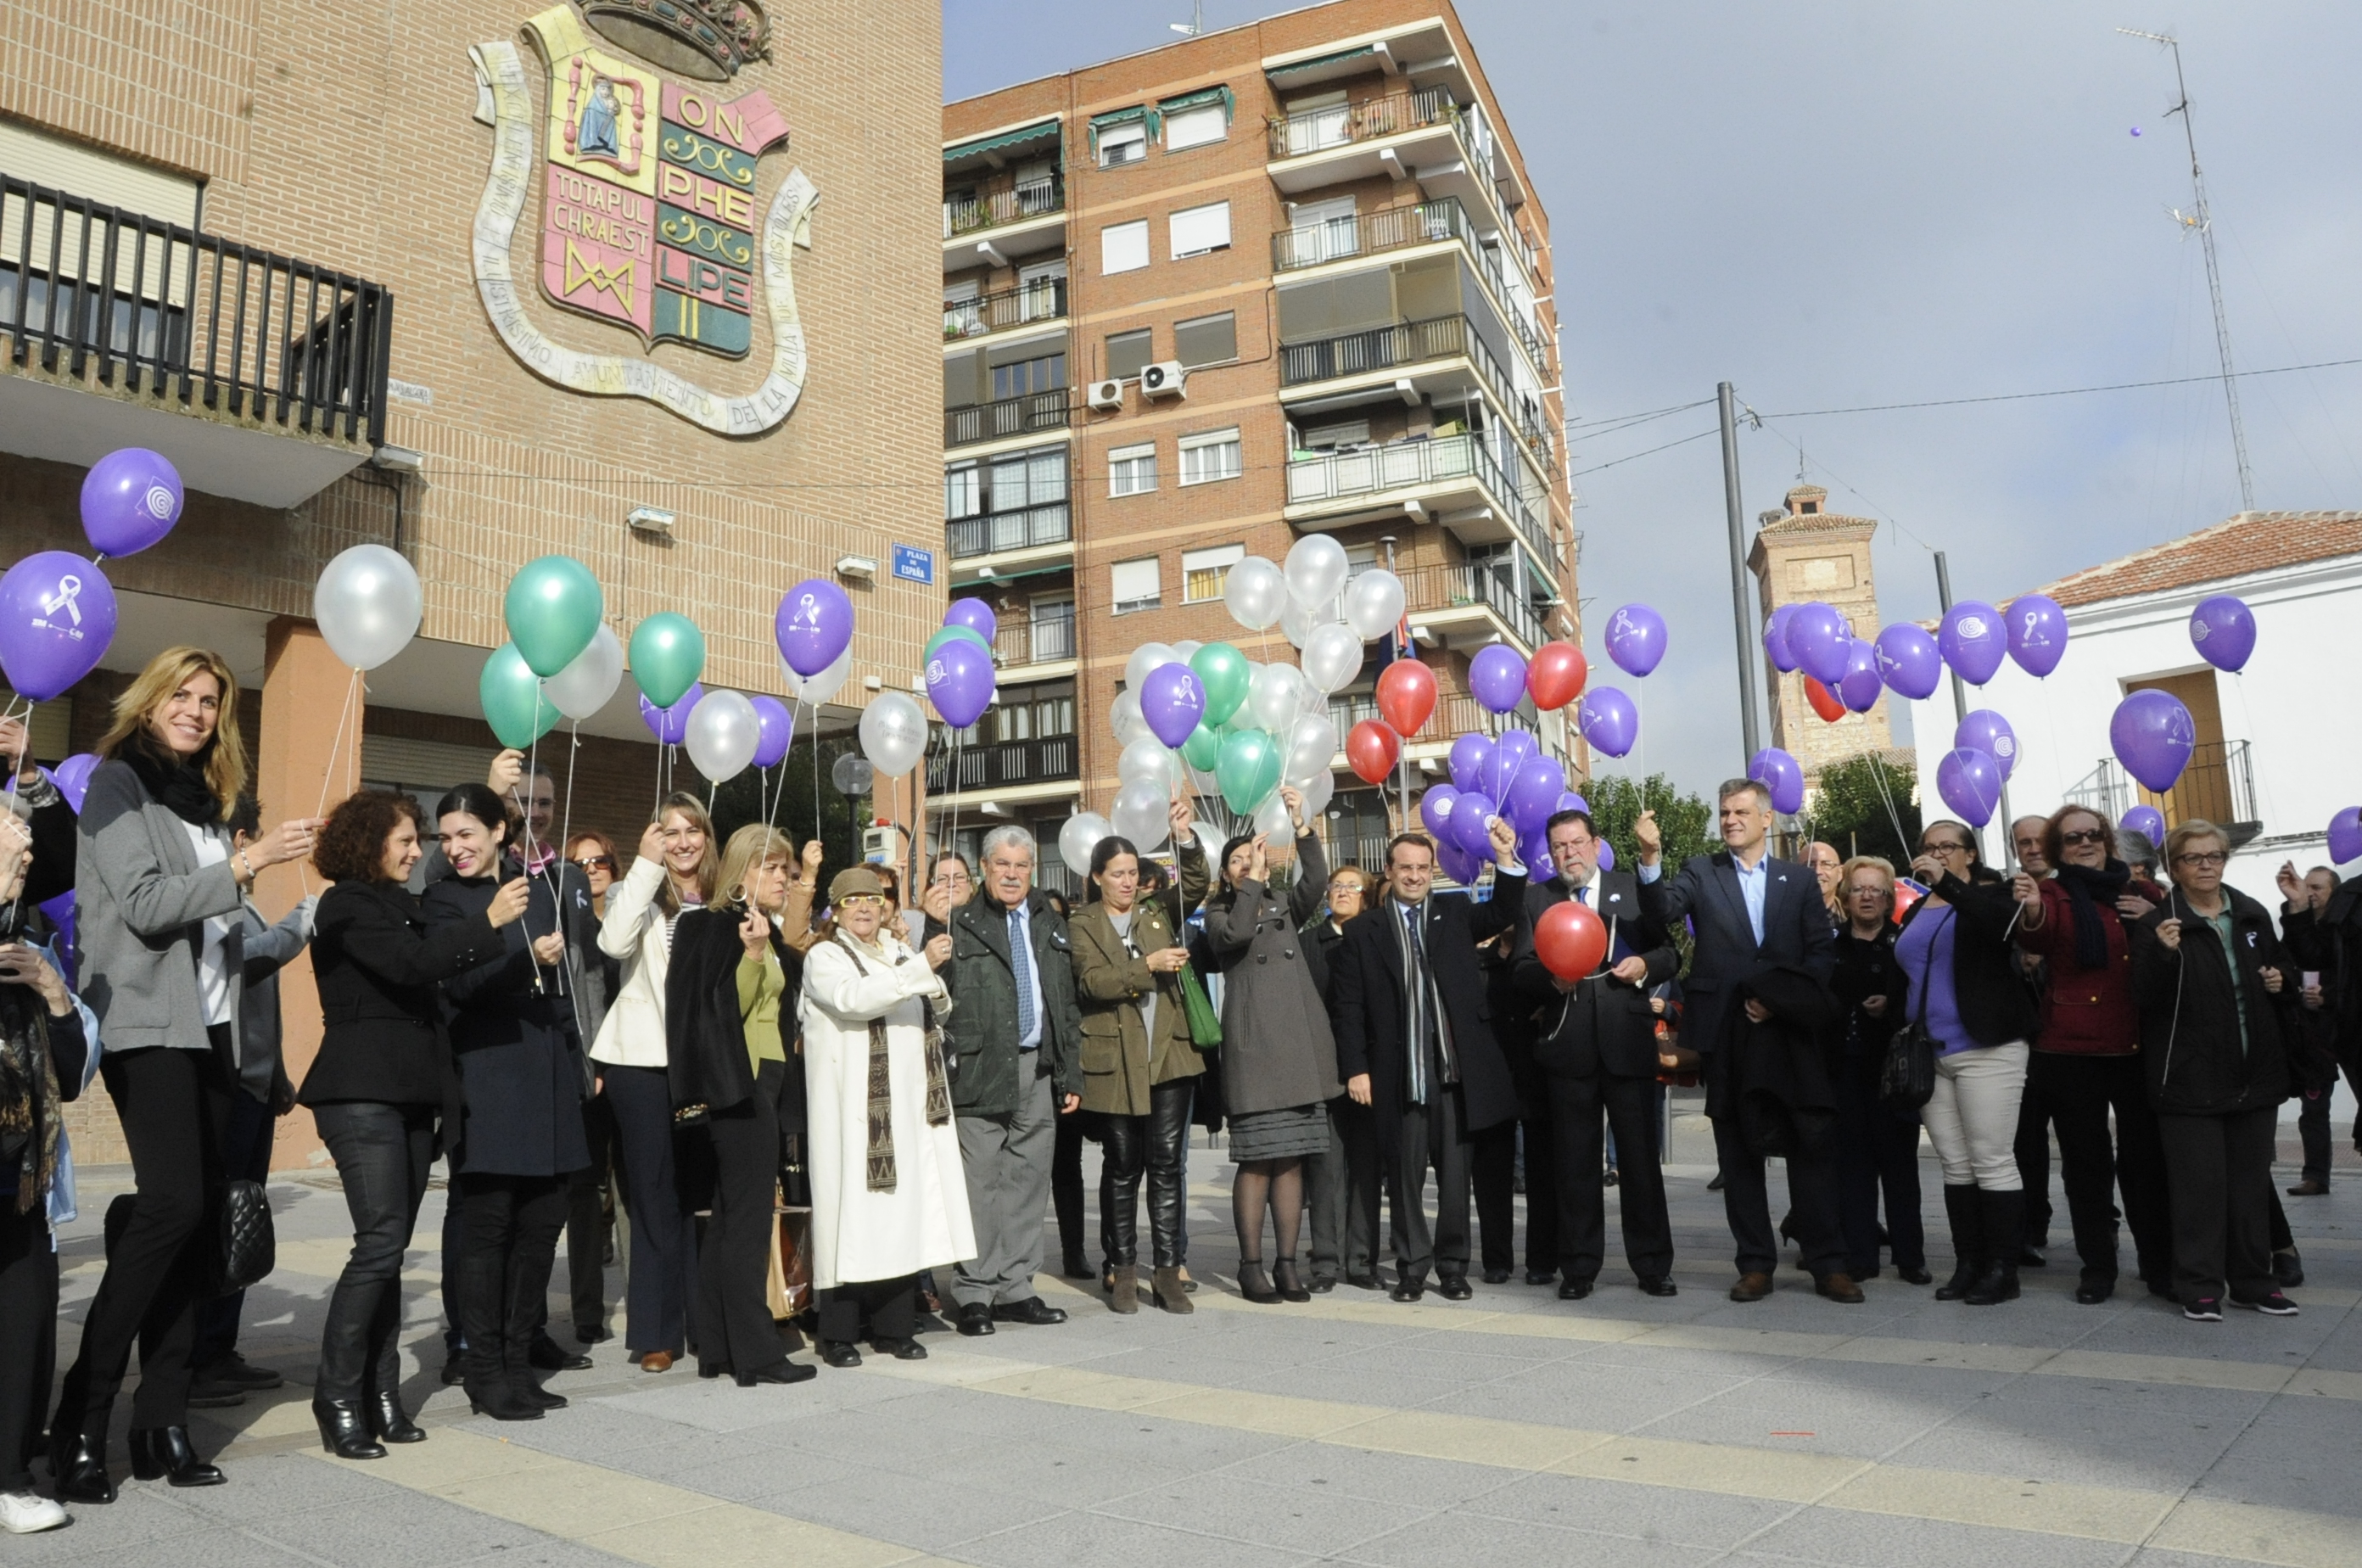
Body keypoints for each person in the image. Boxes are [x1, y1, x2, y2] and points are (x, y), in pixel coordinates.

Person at [50, 647, 322, 1500]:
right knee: (169, 1207)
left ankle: (162, 1424)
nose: (197, 711)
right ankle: (79, 1419)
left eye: (210, 701)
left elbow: (222, 935)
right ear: (151, 698)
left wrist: (287, 913)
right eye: (183, 696)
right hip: (146, 1025)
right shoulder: (118, 784)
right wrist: (247, 864)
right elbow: (144, 904)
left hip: (210, 1032)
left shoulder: (207, 801)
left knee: (196, 1221)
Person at [301, 790, 529, 1457]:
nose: (416, 851)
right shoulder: (347, 904)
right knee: (377, 1244)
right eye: (404, 840)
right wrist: (488, 920)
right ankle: (337, 1397)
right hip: (359, 1092)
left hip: (408, 1095)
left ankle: (381, 1395)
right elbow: (412, 966)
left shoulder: (404, 905)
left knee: (391, 1249)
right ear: (368, 842)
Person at [1635, 781, 1846, 1303]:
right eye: (1724, 811)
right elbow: (1662, 906)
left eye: (1741, 811)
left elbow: (1821, 956)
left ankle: (1827, 1263)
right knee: (1738, 1156)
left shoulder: (1798, 881)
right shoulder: (1701, 872)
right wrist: (1649, 856)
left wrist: (1778, 1000)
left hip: (1789, 1035)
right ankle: (1755, 1264)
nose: (1730, 819)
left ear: (1766, 819)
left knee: (1810, 1150)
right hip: (1727, 1035)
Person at [425, 783, 593, 1420]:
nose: (456, 847)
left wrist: (580, 1064)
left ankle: (520, 1364)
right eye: (446, 838)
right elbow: (456, 985)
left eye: (466, 833)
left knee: (540, 1229)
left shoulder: (538, 887)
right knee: (488, 1231)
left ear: (499, 830)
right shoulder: (445, 900)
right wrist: (513, 944)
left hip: (547, 1073)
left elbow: (565, 988)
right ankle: (483, 1367)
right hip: (488, 1080)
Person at [1331, 822, 1526, 1302]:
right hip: (1397, 1075)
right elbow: (1348, 1008)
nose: (1415, 876)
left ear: (1431, 871)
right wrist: (1356, 1068)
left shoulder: (1456, 911)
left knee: (1456, 1180)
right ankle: (1412, 1269)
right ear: (1389, 871)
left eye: (1423, 868)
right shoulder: (1362, 931)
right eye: (1406, 868)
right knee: (1403, 1176)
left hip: (1453, 1074)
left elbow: (1504, 909)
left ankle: (1453, 1267)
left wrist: (1505, 858)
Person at [666, 826, 818, 1386]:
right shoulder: (709, 925)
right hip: (739, 1086)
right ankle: (756, 1352)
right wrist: (753, 955)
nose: (785, 877)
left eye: (787, 868)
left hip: (767, 1083)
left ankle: (720, 1348)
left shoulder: (765, 932)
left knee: (732, 1219)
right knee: (747, 1222)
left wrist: (767, 946)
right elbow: (712, 1010)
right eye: (773, 868)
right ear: (743, 872)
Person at [799, 866, 969, 1364]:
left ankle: (894, 1327)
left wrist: (927, 973)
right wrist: (919, 968)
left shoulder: (896, 950)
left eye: (873, 899)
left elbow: (938, 1005)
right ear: (836, 910)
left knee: (900, 1213)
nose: (865, 908)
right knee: (851, 1215)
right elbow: (854, 1000)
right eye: (852, 901)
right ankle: (837, 1333)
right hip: (854, 1110)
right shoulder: (825, 956)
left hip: (907, 1105)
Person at [2133, 820, 2298, 1320]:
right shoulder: (2157, 925)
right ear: (2174, 868)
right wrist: (2163, 955)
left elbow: (2284, 971)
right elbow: (2143, 999)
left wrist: (2279, 979)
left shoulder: (2250, 915)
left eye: (2215, 856)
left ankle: (2254, 1282)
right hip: (2189, 1078)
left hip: (2254, 1071)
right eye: (2193, 858)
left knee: (2250, 1189)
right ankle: (2200, 1285)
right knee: (2198, 1191)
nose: (2206, 865)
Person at [1511, 809, 1679, 1298]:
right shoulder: (1536, 898)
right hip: (1568, 1050)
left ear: (1595, 843)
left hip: (1626, 1045)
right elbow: (1520, 968)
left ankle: (1653, 1266)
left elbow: (1671, 951)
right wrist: (1549, 979)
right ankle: (1579, 1268)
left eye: (1578, 843)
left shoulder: (1630, 889)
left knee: (1640, 1164)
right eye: (1560, 846)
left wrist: (1643, 964)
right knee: (1575, 1166)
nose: (1570, 854)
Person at [2012, 804, 2171, 1302]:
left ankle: (2158, 1265)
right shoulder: (2054, 893)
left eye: (2093, 834)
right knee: (2086, 1166)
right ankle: (2098, 1267)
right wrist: (2033, 909)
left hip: (2135, 1043)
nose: (2086, 842)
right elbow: (2037, 932)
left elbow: (2175, 938)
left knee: (2145, 1164)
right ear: (2060, 848)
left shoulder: (2144, 893)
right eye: (2074, 837)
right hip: (2070, 1047)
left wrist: (2154, 918)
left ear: (2107, 839)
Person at [187, 795, 316, 1408]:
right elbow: (249, 965)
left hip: (259, 1087)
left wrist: (281, 1074)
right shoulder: (215, 907)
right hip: (230, 1089)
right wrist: (303, 922)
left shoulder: (244, 905)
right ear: (241, 840)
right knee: (221, 1220)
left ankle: (219, 1348)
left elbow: (259, 1010)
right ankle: (194, 1357)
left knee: (244, 1221)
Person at [1202, 789, 1345, 1303]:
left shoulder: (1282, 903)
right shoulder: (1217, 914)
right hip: (1256, 1051)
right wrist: (1254, 881)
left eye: (1252, 856)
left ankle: (1288, 1263)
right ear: (1225, 875)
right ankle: (1251, 1265)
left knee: (1293, 1161)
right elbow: (1238, 935)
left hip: (1299, 1050)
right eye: (1236, 861)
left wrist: (1302, 828)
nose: (1247, 864)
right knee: (1259, 1160)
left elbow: (1316, 884)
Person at [588, 794, 714, 1375]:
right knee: (654, 1197)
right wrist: (644, 865)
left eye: (692, 830)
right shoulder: (639, 892)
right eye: (671, 831)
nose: (683, 841)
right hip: (639, 1064)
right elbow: (611, 945)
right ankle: (656, 1333)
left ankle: (703, 1319)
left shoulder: (723, 897)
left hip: (703, 1067)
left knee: (698, 1196)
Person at [939, 826, 1080, 1336]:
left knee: (1027, 1181)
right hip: (980, 1067)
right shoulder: (959, 922)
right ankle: (976, 1292)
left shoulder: (1049, 921)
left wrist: (1070, 1072)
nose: (1013, 875)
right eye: (1003, 865)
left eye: (1022, 866)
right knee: (980, 1184)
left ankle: (1017, 1287)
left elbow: (1064, 1002)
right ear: (984, 868)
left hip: (1037, 1067)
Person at [1069, 804, 1210, 1313]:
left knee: (1168, 1165)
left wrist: (1185, 837)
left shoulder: (1155, 913)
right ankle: (1122, 1268)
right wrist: (1146, 965)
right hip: (1115, 1062)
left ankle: (1168, 1271)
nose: (1128, 883)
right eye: (1118, 874)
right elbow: (1091, 983)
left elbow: (1194, 883)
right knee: (1123, 1166)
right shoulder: (1082, 923)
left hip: (1169, 1057)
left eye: (1133, 873)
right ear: (1097, 878)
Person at [1894, 818, 2038, 1306]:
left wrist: (1948, 884)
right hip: (1931, 1055)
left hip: (1986, 1050)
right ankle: (1968, 1263)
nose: (1936, 854)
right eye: (1928, 848)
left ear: (1969, 855)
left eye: (1947, 847)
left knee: (1992, 1160)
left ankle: (2003, 1269)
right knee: (1955, 1164)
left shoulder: (1993, 896)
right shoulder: (1915, 911)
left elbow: (1995, 925)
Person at [0, 816, 97, 1534]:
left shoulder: (30, 945)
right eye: (12, 838)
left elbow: (67, 1077)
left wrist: (56, 999)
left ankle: (9, 1478)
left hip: (20, 1178)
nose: (27, 851)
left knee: (25, 1327)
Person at [1827, 856, 1928, 1285]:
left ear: (1890, 900)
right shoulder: (1829, 948)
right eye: (1858, 889)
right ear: (1845, 898)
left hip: (1893, 1073)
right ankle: (1861, 1256)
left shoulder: (1903, 946)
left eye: (1877, 891)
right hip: (1843, 1071)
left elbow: (1921, 1002)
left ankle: (1910, 1258)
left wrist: (1892, 1005)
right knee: (1853, 1169)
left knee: (1901, 1168)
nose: (1867, 897)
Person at [1303, 864, 1379, 1291]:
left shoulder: (1375, 937)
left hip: (1370, 1070)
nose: (1342, 892)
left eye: (1352, 887)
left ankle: (1362, 1260)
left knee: (1366, 1168)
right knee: (1326, 1169)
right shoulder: (1308, 943)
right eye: (1336, 886)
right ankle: (1326, 1262)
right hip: (1323, 1071)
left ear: (1366, 896)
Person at [2278, 863, 2354, 1196]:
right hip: (2312, 1033)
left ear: (2334, 893)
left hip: (2346, 1026)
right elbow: (2298, 962)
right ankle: (2316, 1175)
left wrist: (2331, 994)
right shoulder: (2303, 929)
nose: (2310, 893)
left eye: (2317, 888)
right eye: (2307, 886)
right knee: (2314, 1106)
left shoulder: (2347, 921)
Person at [2007, 814, 2057, 1268]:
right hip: (2025, 1044)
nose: (2034, 848)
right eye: (2024, 842)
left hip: (2075, 1041)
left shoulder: (2076, 893)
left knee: (2087, 1146)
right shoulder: (2008, 900)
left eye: (2041, 840)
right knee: (2027, 1144)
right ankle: (2030, 1228)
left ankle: (2103, 1230)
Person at [1806, 841, 1843, 925]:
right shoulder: (1785, 919)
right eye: (1810, 865)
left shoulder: (1854, 917)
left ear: (1840, 873)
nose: (1817, 871)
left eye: (1826, 864)